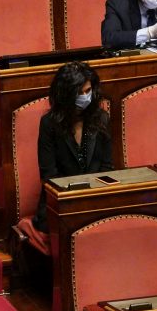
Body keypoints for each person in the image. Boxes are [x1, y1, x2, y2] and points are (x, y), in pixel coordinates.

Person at [33, 62, 112, 234]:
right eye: (79, 93)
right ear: (66, 95)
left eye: (88, 91)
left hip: (95, 201)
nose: (85, 97)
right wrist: (76, 201)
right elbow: (49, 176)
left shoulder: (101, 119)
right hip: (61, 204)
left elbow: (107, 168)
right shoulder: (49, 124)